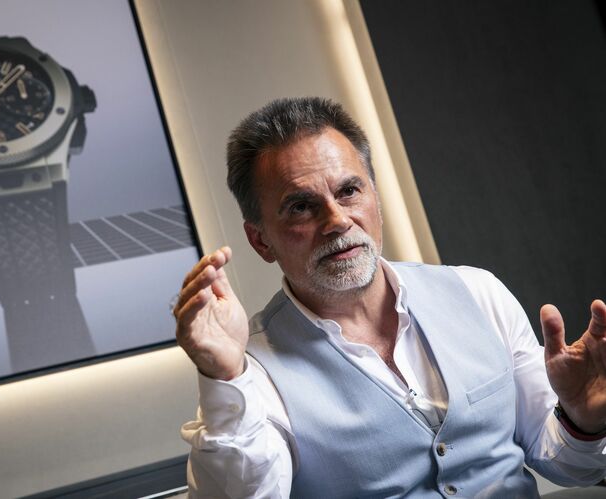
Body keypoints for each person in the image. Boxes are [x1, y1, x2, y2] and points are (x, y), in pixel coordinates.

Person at [173, 97, 606, 498]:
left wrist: (583, 418)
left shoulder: (478, 292)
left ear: (376, 197)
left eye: (349, 191)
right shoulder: (253, 371)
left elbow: (568, 465)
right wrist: (224, 378)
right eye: (301, 206)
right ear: (261, 241)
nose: (337, 220)